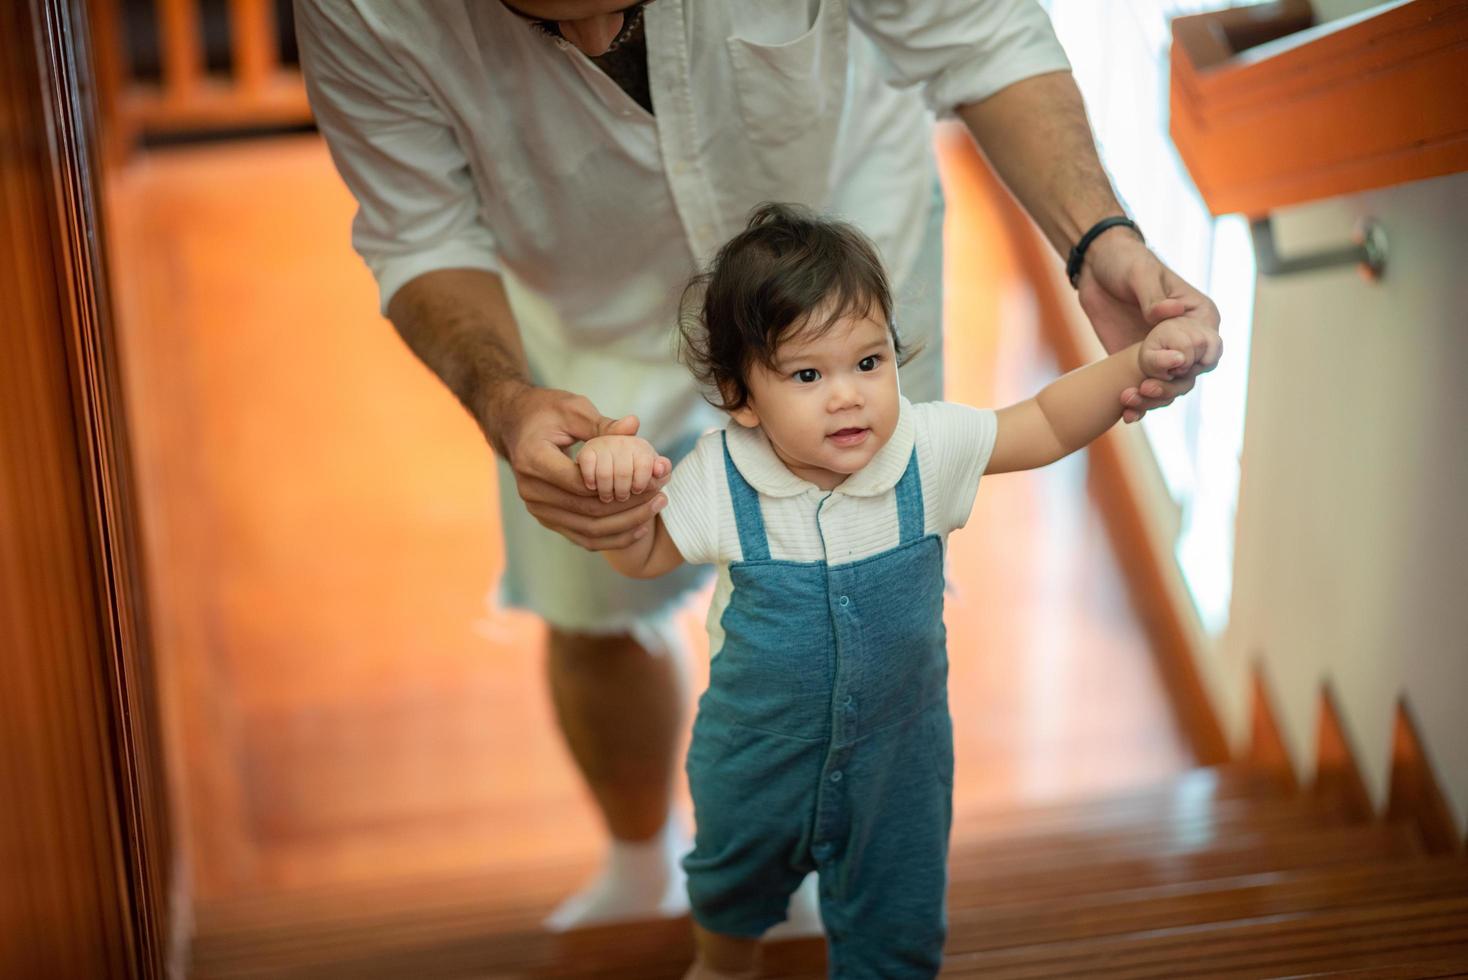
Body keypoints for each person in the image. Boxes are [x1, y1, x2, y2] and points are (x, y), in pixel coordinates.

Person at [293, 0, 1222, 932]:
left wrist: (1100, 241)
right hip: (591, 314)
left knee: (876, 596)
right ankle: (641, 866)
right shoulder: (359, 12)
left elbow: (982, 31)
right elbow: (420, 229)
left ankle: (833, 861)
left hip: (845, 284)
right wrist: (507, 401)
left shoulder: (876, 398)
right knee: (589, 619)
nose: (589, 39)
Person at [575, 203, 1220, 979]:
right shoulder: (719, 475)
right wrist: (615, 493)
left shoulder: (927, 447)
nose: (847, 395)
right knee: (730, 884)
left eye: (868, 363)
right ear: (741, 396)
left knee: (900, 918)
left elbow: (1045, 423)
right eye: (808, 375)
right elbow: (642, 556)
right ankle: (723, 964)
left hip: (899, 760)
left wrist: (1138, 361)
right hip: (754, 756)